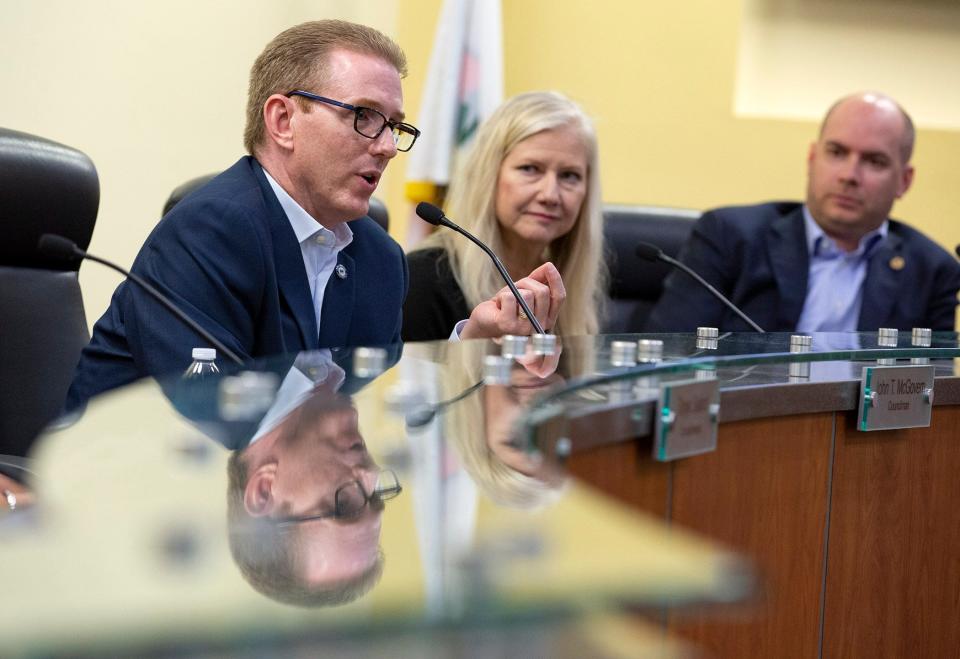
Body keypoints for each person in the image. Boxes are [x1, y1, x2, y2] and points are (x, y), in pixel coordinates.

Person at [66, 21, 564, 411]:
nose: (389, 147)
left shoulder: (379, 257)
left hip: (288, 510)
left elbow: (377, 406)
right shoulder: (211, 229)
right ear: (283, 120)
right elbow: (210, 408)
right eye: (363, 117)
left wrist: (468, 347)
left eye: (395, 126)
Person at [645, 92, 960, 333]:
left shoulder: (932, 272)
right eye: (836, 153)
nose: (850, 175)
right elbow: (670, 357)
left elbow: (931, 401)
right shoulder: (730, 236)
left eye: (874, 161)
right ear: (812, 159)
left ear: (904, 181)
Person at [402, 91, 605, 342]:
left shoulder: (573, 280)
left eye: (569, 176)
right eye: (530, 169)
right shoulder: (423, 276)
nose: (550, 195)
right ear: (489, 176)